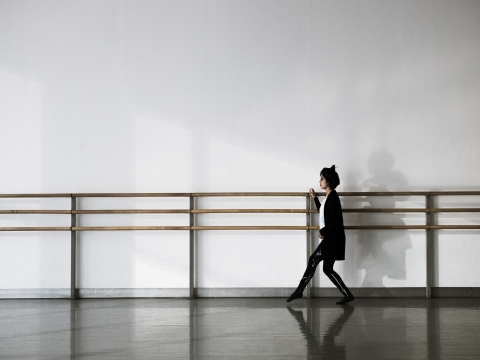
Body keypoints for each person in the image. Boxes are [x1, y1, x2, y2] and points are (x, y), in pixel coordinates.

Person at [287, 165, 354, 304]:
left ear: (328, 181)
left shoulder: (333, 197)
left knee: (313, 260)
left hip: (333, 239)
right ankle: (348, 294)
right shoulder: (328, 197)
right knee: (327, 269)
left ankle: (299, 290)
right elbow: (324, 213)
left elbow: (337, 220)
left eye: (322, 178)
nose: (320, 181)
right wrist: (315, 198)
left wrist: (322, 231)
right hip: (331, 238)